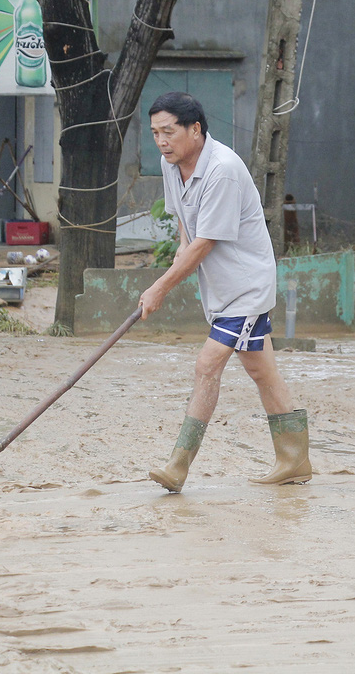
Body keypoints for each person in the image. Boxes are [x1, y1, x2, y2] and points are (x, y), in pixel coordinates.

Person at [139, 92, 310, 493]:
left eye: (168, 132)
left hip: (245, 288)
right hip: (219, 290)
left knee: (207, 364)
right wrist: (182, 245)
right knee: (261, 370)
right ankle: (295, 460)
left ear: (195, 129)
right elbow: (186, 225)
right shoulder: (173, 165)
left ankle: (177, 467)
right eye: (155, 133)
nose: (161, 141)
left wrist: (159, 287)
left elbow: (206, 243)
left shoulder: (223, 170)